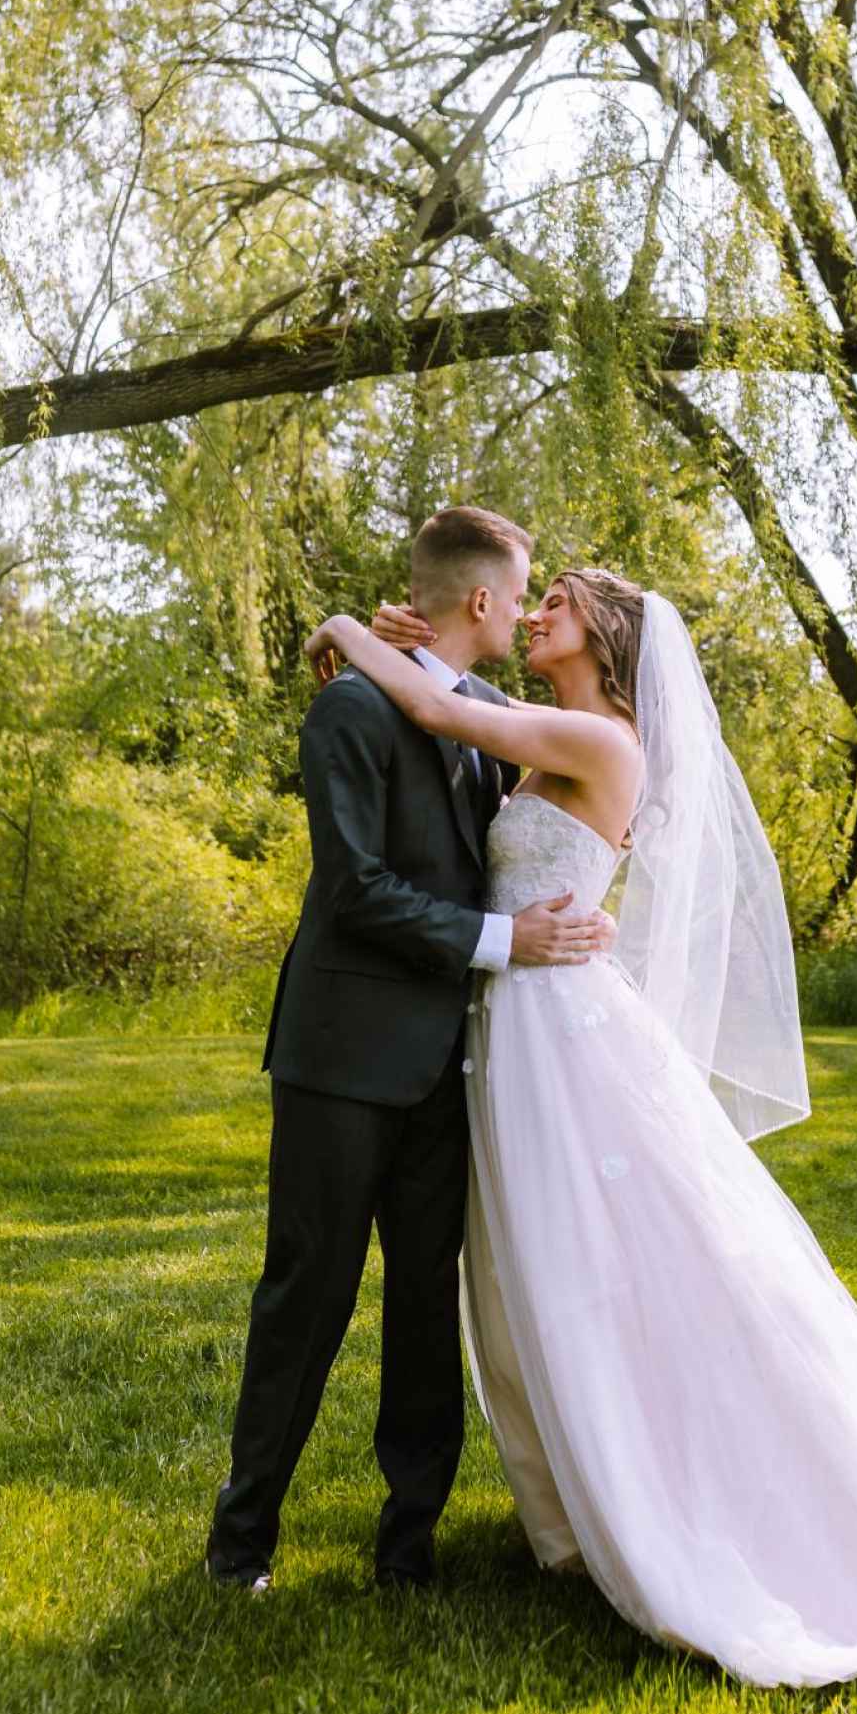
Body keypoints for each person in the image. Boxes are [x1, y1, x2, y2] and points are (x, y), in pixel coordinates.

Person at [306, 568, 857, 1688]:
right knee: (552, 1264)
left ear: (606, 634)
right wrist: (415, 644)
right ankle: (599, 1480)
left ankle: (686, 1496)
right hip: (521, 1030)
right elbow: (456, 699)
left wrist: (341, 626)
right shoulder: (551, 728)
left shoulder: (599, 738)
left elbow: (439, 708)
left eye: (558, 600)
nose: (536, 612)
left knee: (615, 1263)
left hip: (563, 1035)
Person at [205, 507, 613, 1594]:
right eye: (519, 595)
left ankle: (409, 1546)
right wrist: (509, 941)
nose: (524, 613)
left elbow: (539, 818)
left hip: (452, 1064)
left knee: (428, 1305)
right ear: (481, 598)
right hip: (341, 1058)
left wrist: (582, 913)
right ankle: (242, 1541)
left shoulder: (481, 714)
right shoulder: (349, 707)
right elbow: (357, 890)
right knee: (308, 1294)